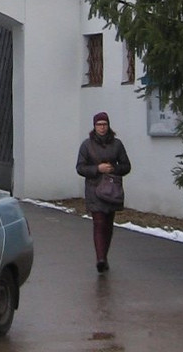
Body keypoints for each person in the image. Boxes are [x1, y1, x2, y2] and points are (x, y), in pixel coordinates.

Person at [75, 111, 131, 273]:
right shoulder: (87, 145)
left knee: (108, 224)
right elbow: (80, 167)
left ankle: (104, 256)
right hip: (94, 189)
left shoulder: (117, 144)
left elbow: (126, 166)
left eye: (104, 124)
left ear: (108, 125)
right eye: (99, 124)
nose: (102, 128)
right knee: (98, 222)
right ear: (94, 126)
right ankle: (100, 258)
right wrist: (97, 169)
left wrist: (114, 168)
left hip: (112, 189)